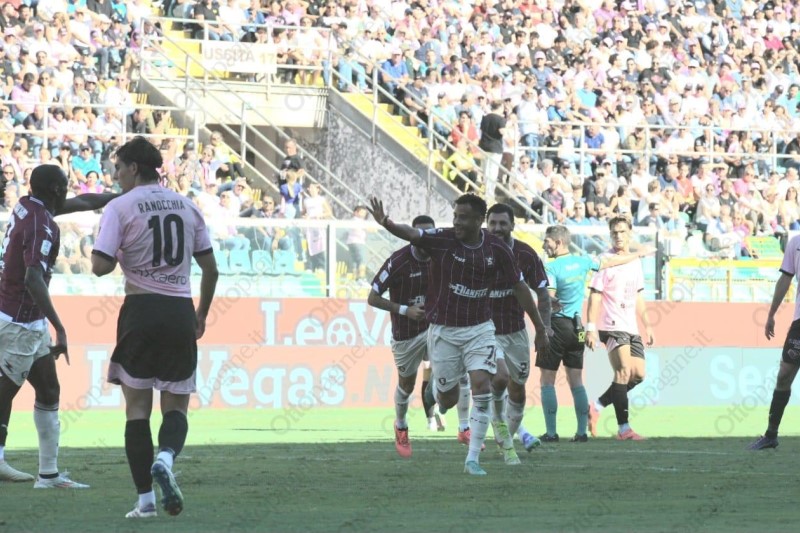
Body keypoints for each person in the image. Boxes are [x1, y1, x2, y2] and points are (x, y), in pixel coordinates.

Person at [368, 194, 550, 476]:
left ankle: (472, 459)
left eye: (463, 217)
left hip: (480, 328)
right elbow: (413, 234)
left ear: (478, 221)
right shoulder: (444, 240)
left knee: (482, 385)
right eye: (455, 216)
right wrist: (387, 223)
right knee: (447, 399)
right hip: (444, 331)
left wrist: (539, 327)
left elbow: (521, 288)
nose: (457, 222)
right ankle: (435, 391)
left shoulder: (497, 250)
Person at [90, 137, 219, 518]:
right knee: (176, 404)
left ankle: (145, 502)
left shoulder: (120, 206)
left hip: (140, 310)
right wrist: (201, 314)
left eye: (118, 168)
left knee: (137, 409)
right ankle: (166, 457)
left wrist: (115, 250)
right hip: (180, 310)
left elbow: (99, 266)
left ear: (133, 168)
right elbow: (211, 269)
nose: (116, 175)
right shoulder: (188, 206)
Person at [0, 164, 119, 487]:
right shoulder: (42, 223)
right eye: (65, 184)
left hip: (23, 316)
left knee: (49, 389)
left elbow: (83, 202)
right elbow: (33, 278)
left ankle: (48, 474)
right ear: (55, 188)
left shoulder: (27, 205)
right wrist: (60, 327)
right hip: (21, 320)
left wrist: (123, 197)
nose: (69, 190)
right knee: (5, 390)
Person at [530, 225, 653, 444]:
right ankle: (581, 433)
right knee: (576, 380)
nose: (543, 245)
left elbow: (548, 299)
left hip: (556, 327)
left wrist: (543, 325)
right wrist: (637, 254)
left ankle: (551, 433)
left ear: (558, 242)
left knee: (547, 380)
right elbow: (610, 262)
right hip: (577, 329)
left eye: (546, 241)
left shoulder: (551, 267)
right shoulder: (584, 261)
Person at [367, 215, 442, 458]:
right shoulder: (398, 261)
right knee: (406, 385)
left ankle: (463, 426)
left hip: (435, 327)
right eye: (419, 234)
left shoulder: (443, 257)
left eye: (430, 234)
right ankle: (401, 425)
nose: (424, 239)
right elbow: (373, 298)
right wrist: (405, 310)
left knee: (452, 370)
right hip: (406, 334)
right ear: (411, 235)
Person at [485, 203, 551, 459]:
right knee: (499, 378)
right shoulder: (477, 251)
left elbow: (542, 293)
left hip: (515, 331)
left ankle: (506, 442)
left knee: (518, 389)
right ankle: (500, 433)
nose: (497, 228)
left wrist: (544, 328)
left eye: (503, 223)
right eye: (493, 223)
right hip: (485, 330)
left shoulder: (525, 254)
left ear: (513, 225)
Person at [585, 216, 655, 441]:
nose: (618, 236)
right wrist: (590, 327)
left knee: (638, 375)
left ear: (630, 234)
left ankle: (596, 406)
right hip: (612, 324)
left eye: (622, 232)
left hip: (631, 326)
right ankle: (624, 429)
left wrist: (647, 325)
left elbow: (638, 295)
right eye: (614, 232)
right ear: (610, 235)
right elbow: (595, 295)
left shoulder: (635, 262)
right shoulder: (605, 261)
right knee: (623, 371)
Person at [749, 232, 800, 450]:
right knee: (784, 374)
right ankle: (771, 435)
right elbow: (785, 279)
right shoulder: (795, 242)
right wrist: (771, 314)